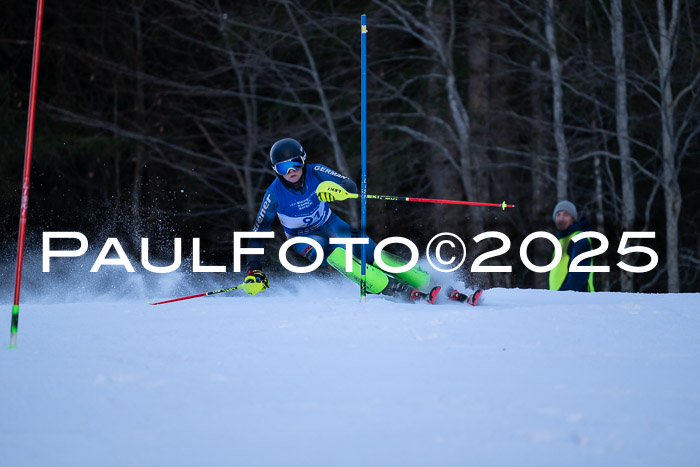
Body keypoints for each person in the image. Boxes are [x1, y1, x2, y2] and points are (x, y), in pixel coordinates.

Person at [243, 138, 441, 303]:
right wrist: (254, 270)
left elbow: (350, 186)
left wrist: (337, 191)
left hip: (330, 224)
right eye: (283, 168)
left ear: (302, 160)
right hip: (303, 238)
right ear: (276, 170)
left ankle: (424, 280)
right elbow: (258, 232)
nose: (290, 172)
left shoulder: (316, 171)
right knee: (337, 255)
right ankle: (391, 288)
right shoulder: (274, 194)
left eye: (294, 164)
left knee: (369, 251)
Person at [548, 200, 595, 292]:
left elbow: (579, 275)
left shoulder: (580, 239)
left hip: (576, 300)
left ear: (573, 218)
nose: (561, 219)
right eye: (558, 215)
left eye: (565, 215)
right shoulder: (562, 240)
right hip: (561, 301)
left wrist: (563, 295)